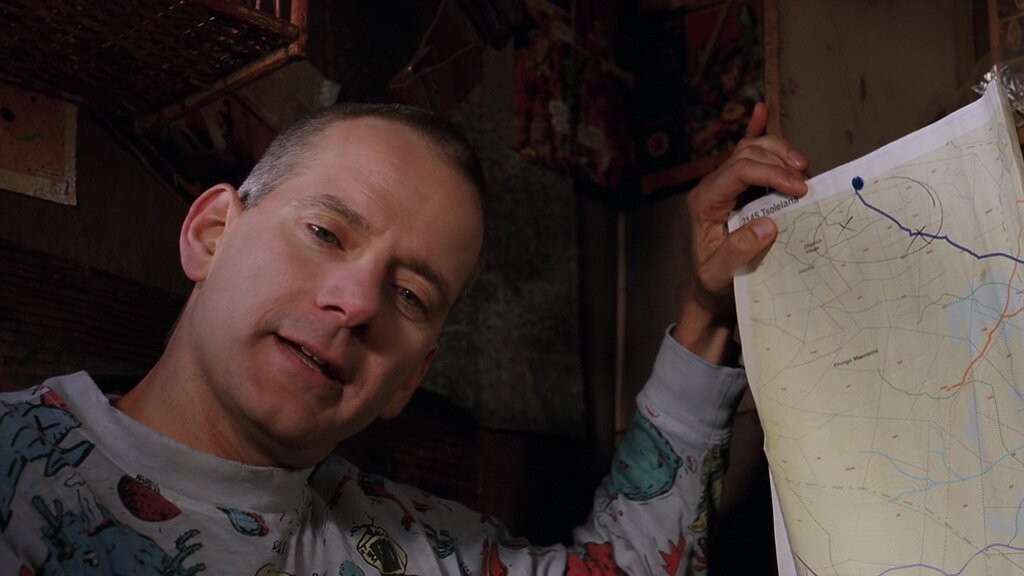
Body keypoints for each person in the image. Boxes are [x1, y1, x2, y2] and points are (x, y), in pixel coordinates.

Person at [0, 101, 807, 575]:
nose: (355, 303)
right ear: (212, 233)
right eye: (325, 232)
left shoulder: (408, 543)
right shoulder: (19, 475)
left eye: (410, 295)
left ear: (410, 379)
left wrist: (707, 311)